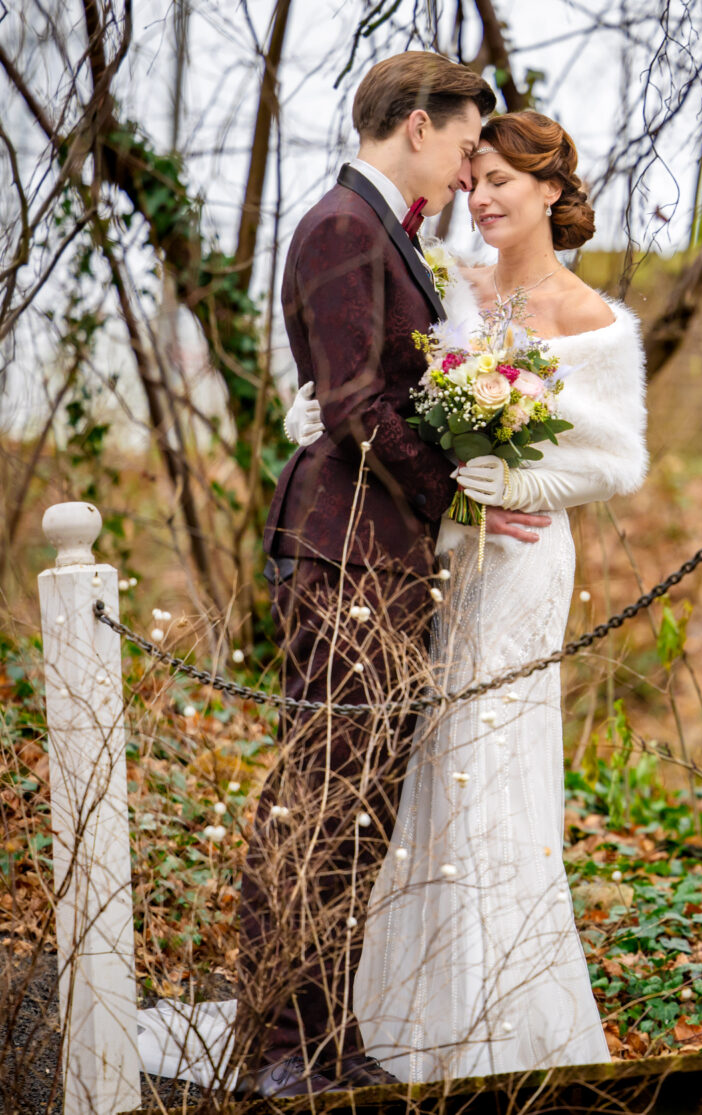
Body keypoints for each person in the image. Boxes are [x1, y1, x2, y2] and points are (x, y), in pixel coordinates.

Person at [135, 106, 645, 1091]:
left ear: (549, 190)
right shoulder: (449, 282)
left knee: (488, 767)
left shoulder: (590, 313)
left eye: (501, 179)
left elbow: (618, 459)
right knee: (397, 780)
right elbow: (371, 384)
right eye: (477, 175)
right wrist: (344, 420)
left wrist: (517, 486)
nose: (481, 194)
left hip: (516, 549)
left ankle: (495, 1012)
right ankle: (392, 1003)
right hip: (430, 544)